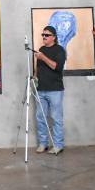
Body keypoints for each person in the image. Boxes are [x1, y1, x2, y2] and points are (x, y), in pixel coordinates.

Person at [32, 25, 67, 155]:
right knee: (40, 117)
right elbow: (38, 67)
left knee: (56, 118)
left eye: (47, 35)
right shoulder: (41, 49)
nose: (44, 37)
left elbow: (56, 67)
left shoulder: (60, 50)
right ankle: (43, 143)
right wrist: (35, 78)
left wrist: (43, 58)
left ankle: (58, 145)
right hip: (41, 90)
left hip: (55, 90)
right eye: (43, 35)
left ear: (54, 37)